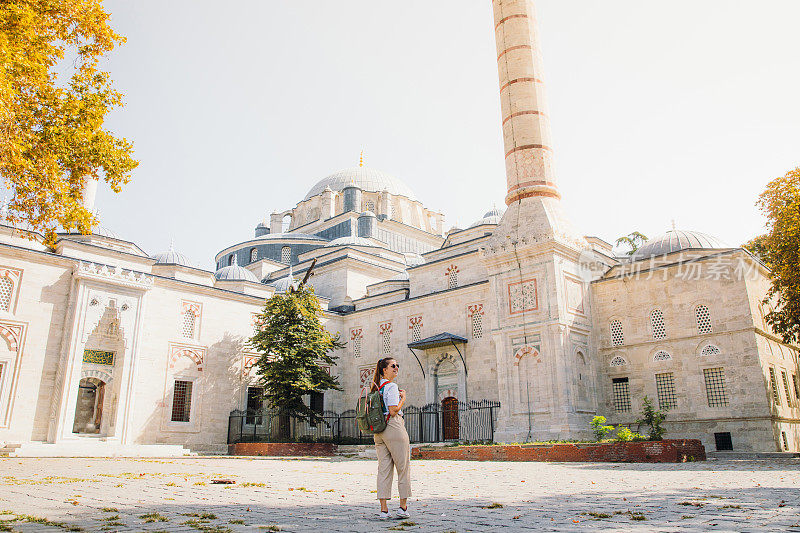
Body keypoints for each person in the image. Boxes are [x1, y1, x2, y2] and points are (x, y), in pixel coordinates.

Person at [371, 357, 411, 519]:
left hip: (379, 430)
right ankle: (402, 507)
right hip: (393, 427)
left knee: (384, 469)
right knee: (403, 467)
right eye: (392, 366)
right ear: (384, 370)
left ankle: (383, 510)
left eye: (397, 366)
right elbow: (393, 410)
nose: (396, 368)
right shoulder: (392, 386)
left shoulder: (376, 387)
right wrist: (403, 399)